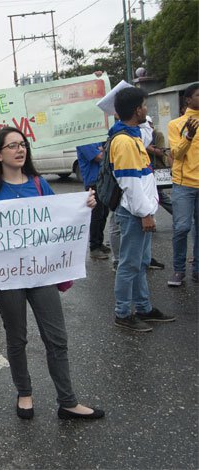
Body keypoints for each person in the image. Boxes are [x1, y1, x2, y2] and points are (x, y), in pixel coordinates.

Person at [0, 126, 105, 421]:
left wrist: (83, 206)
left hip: (41, 273)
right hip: (7, 277)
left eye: (22, 145)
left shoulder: (38, 184)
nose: (20, 150)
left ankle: (68, 401)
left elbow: (59, 219)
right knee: (17, 337)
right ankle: (24, 393)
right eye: (12, 146)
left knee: (56, 337)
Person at [109, 87, 175, 332]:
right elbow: (130, 182)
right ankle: (123, 313)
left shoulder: (132, 135)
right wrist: (146, 214)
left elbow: (146, 134)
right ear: (136, 110)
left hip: (142, 210)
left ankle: (144, 308)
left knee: (140, 263)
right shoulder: (124, 141)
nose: (147, 110)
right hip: (135, 213)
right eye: (144, 106)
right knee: (129, 265)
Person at [167, 82, 199, 286]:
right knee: (182, 228)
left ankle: (197, 269)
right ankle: (179, 270)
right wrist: (188, 136)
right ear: (188, 99)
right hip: (183, 185)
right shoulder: (176, 124)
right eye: (198, 95)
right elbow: (175, 154)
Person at [76, 142, 110, 260]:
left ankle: (99, 243)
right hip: (92, 182)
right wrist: (104, 150)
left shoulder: (96, 140)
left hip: (102, 180)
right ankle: (94, 247)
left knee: (104, 213)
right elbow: (98, 157)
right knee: (96, 215)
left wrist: (102, 149)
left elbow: (102, 152)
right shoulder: (84, 141)